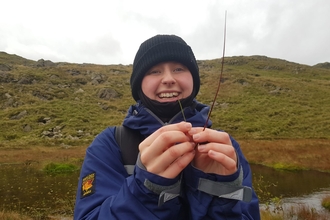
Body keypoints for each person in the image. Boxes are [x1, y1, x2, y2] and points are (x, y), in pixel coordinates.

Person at [73, 34, 260, 219]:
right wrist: (147, 189)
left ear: (193, 81)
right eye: (154, 71)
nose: (168, 79)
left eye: (179, 69)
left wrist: (221, 188)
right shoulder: (109, 144)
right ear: (139, 85)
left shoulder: (226, 148)